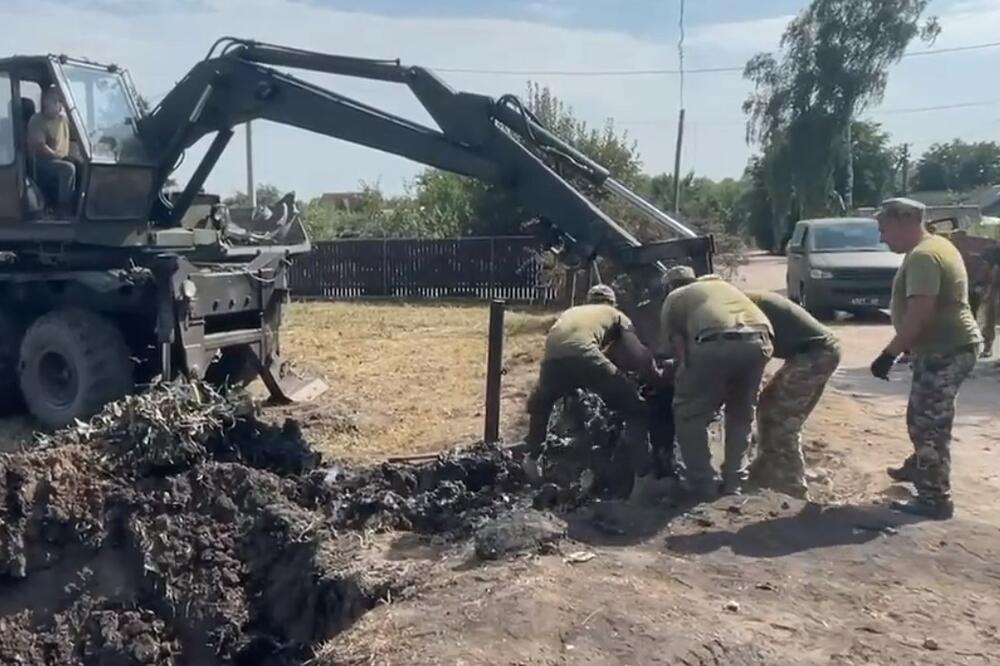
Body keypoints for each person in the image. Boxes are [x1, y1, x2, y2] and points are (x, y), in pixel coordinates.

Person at [873, 197, 982, 519]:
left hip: (947, 349)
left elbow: (921, 313)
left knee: (929, 425)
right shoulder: (932, 248)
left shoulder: (924, 255)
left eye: (884, 229)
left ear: (904, 221)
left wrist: (889, 353)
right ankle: (920, 467)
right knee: (921, 416)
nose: (881, 237)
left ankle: (935, 499)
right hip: (942, 348)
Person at [524, 283, 663, 501]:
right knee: (635, 409)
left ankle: (532, 459)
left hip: (552, 359)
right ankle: (643, 478)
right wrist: (654, 376)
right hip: (585, 355)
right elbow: (639, 354)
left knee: (542, 404)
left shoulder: (571, 312)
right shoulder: (615, 314)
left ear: (589, 300)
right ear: (612, 302)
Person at [660, 266, 773, 499]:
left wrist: (684, 377)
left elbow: (679, 348)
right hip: (760, 342)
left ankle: (703, 485)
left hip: (715, 343)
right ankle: (734, 482)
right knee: (740, 413)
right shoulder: (724, 288)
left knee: (689, 413)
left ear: (670, 285)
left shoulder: (675, 297)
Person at [745, 290, 841, 499]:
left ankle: (792, 484)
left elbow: (756, 355)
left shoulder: (742, 310)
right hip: (814, 351)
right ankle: (765, 468)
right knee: (768, 405)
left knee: (781, 418)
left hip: (817, 353)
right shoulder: (743, 301)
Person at [27, 86, 76, 214]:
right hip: (41, 162)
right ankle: (63, 208)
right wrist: (56, 155)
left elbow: (76, 137)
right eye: (51, 100)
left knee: (82, 165)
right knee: (68, 169)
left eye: (59, 101)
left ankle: (77, 205)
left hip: (59, 159)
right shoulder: (37, 120)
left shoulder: (63, 120)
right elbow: (40, 147)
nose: (50, 104)